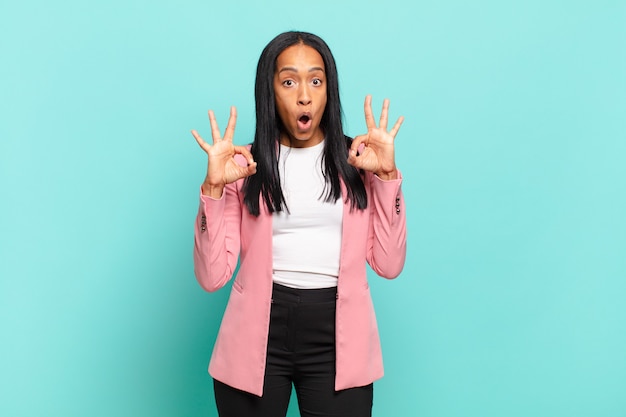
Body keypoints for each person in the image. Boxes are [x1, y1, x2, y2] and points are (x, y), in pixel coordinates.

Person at [190, 31, 407, 417]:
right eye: (289, 81)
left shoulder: (361, 161)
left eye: (316, 81)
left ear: (329, 91)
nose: (304, 95)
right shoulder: (243, 166)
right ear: (269, 92)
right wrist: (212, 188)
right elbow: (212, 277)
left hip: (338, 339)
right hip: (257, 335)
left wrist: (387, 177)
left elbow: (389, 265)